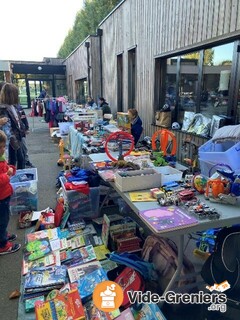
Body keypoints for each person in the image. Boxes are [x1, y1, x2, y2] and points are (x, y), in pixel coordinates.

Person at [0, 130, 21, 255]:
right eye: (0, 147)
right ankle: (3, 245)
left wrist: (11, 169)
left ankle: (3, 235)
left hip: (4, 194)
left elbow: (5, 168)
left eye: (3, 146)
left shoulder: (1, 158)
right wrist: (7, 175)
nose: (3, 150)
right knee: (2, 220)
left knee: (4, 218)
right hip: (1, 196)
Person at [0, 83, 25, 169]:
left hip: (17, 137)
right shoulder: (2, 108)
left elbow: (18, 121)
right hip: (11, 139)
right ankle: (14, 178)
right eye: (16, 94)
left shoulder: (13, 106)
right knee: (16, 160)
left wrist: (23, 130)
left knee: (19, 159)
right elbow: (7, 128)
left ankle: (16, 176)